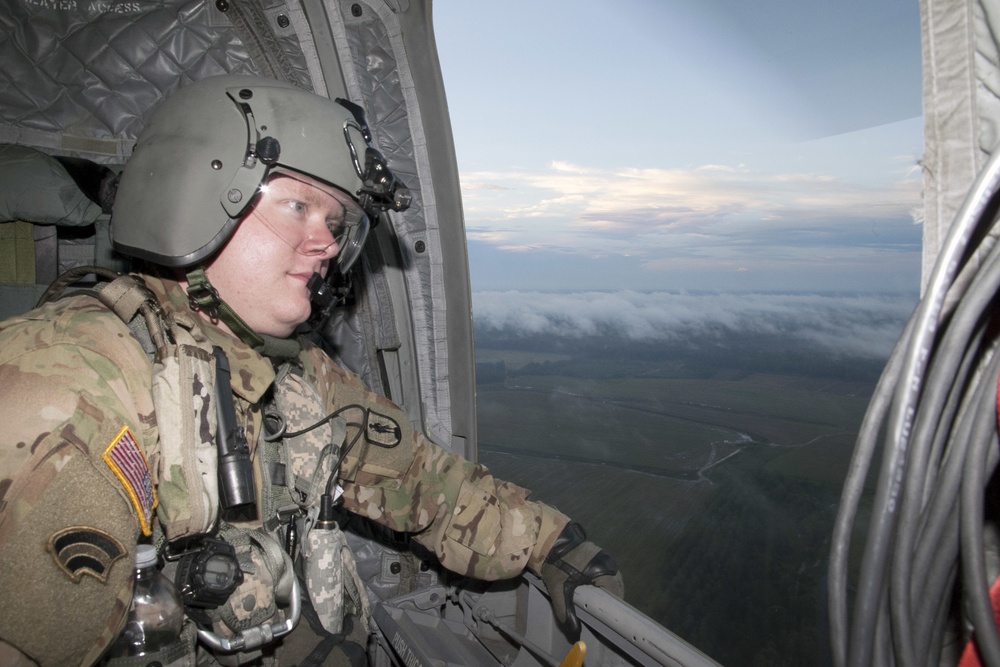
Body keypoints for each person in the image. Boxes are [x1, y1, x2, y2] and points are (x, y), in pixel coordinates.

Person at [0, 74, 622, 666]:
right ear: (190, 197)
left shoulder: (296, 376)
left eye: (335, 222)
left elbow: (421, 479)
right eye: (299, 205)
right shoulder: (71, 380)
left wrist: (550, 542)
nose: (326, 243)